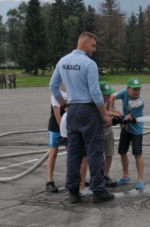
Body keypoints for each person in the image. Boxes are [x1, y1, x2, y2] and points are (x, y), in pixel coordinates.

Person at [49, 32, 114, 204]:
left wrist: (64, 105)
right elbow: (95, 92)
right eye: (92, 45)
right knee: (94, 151)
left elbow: (53, 86)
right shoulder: (89, 64)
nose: (94, 49)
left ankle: (73, 191)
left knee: (73, 153)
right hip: (88, 111)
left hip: (73, 112)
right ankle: (99, 191)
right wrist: (104, 114)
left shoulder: (63, 61)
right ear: (84, 44)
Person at [114, 77, 146, 189]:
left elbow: (128, 117)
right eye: (134, 89)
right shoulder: (124, 93)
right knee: (122, 151)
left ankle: (140, 180)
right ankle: (125, 175)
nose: (137, 92)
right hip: (126, 128)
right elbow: (112, 97)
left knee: (137, 153)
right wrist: (111, 110)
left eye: (139, 89)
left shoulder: (140, 102)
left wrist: (121, 121)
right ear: (128, 89)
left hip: (136, 130)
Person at [45, 85, 68, 192]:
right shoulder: (56, 95)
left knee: (72, 154)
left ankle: (74, 179)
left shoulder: (70, 93)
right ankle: (49, 181)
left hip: (68, 129)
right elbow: (57, 115)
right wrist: (63, 131)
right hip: (55, 128)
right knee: (53, 153)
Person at [99, 81, 122, 188]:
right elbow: (102, 112)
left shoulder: (109, 101)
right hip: (97, 133)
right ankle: (97, 177)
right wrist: (112, 113)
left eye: (109, 94)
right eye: (106, 94)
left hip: (108, 131)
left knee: (109, 154)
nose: (108, 96)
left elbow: (113, 110)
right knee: (95, 157)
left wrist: (119, 114)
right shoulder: (96, 102)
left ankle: (105, 175)